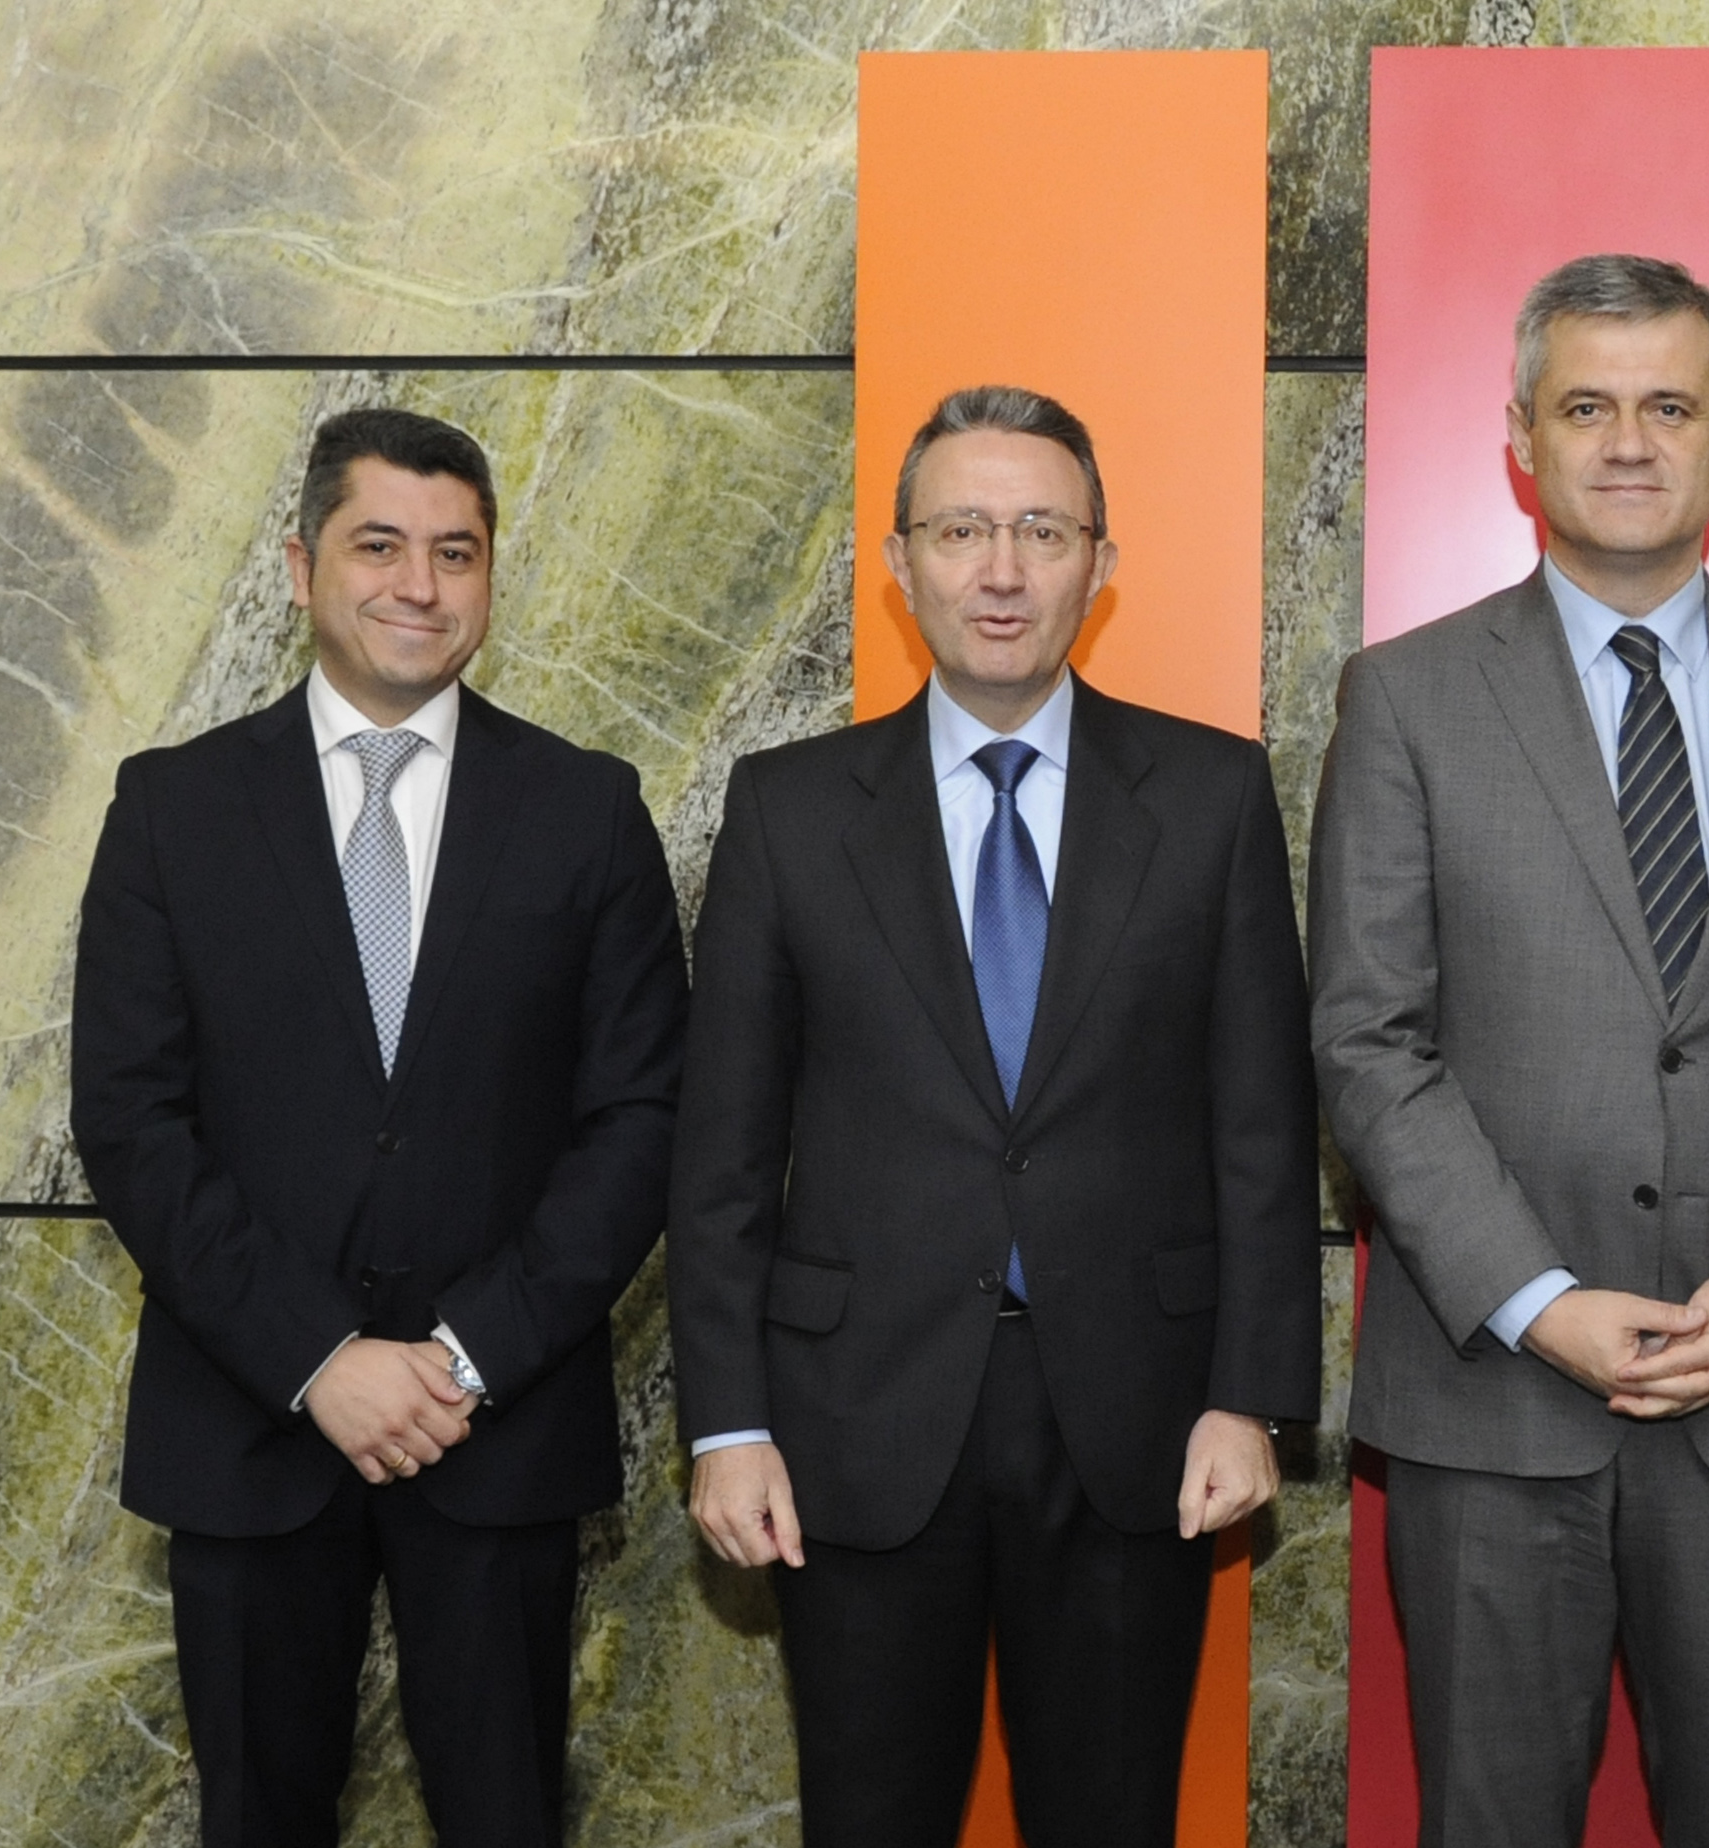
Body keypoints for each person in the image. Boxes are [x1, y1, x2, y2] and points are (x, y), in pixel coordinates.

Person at [1309, 253, 1709, 1847]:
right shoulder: (1404, 701)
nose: (1626, 441)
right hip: (1491, 1405)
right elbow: (1369, 1039)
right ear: (1520, 439)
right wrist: (1540, 1304)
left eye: (1668, 406)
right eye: (1585, 406)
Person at [666, 384, 1320, 1848]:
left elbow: (1264, 1132)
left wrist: (1250, 1395)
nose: (1003, 569)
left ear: (1102, 563)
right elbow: (720, 1160)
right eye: (962, 530)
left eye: (1043, 530)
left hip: (1138, 1423)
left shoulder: (1211, 797)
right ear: (899, 564)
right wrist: (729, 1424)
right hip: (855, 1425)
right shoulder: (788, 810)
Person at [68, 407, 689, 1846]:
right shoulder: (171, 809)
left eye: (456, 553)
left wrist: (464, 1358)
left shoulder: (588, 811)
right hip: (250, 1427)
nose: (420, 584)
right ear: (302, 568)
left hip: (499, 1431)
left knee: (508, 1816)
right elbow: (132, 1120)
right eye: (381, 546)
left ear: (490, 577)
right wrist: (318, 1358)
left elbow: (643, 1118)